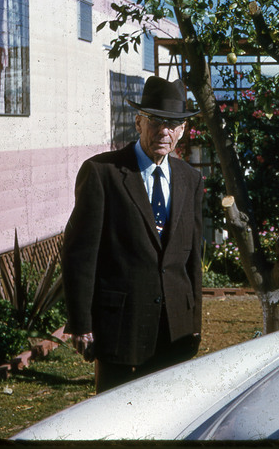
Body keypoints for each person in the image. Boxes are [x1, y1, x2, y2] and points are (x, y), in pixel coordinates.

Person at [62, 76, 204, 393]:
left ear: (182, 130)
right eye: (155, 121)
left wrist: (193, 323)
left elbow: (193, 257)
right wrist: (81, 325)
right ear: (138, 122)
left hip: (175, 331)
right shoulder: (102, 173)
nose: (164, 131)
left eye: (173, 124)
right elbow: (79, 256)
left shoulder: (190, 179)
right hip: (121, 329)